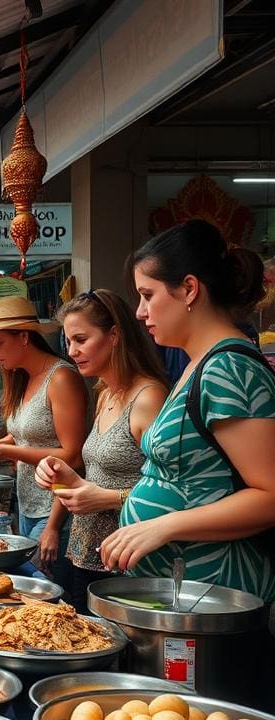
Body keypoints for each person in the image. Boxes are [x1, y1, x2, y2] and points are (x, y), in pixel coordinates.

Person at [98, 219, 275, 604]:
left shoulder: (230, 368)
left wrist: (164, 526)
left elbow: (270, 495)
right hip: (181, 592)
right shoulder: (195, 364)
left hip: (217, 591)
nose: (141, 312)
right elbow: (190, 482)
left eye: (148, 295)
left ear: (189, 289)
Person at [33, 289, 168, 611]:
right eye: (68, 342)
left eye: (81, 339)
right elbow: (93, 472)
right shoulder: (105, 392)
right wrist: (63, 475)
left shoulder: (148, 398)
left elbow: (173, 491)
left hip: (127, 561)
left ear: (114, 336)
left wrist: (108, 497)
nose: (73, 351)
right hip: (86, 551)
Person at [0, 296, 88, 578]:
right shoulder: (22, 376)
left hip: (57, 510)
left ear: (23, 337)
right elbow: (23, 437)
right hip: (28, 502)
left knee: (50, 590)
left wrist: (5, 452)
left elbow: (73, 456)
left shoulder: (61, 378)